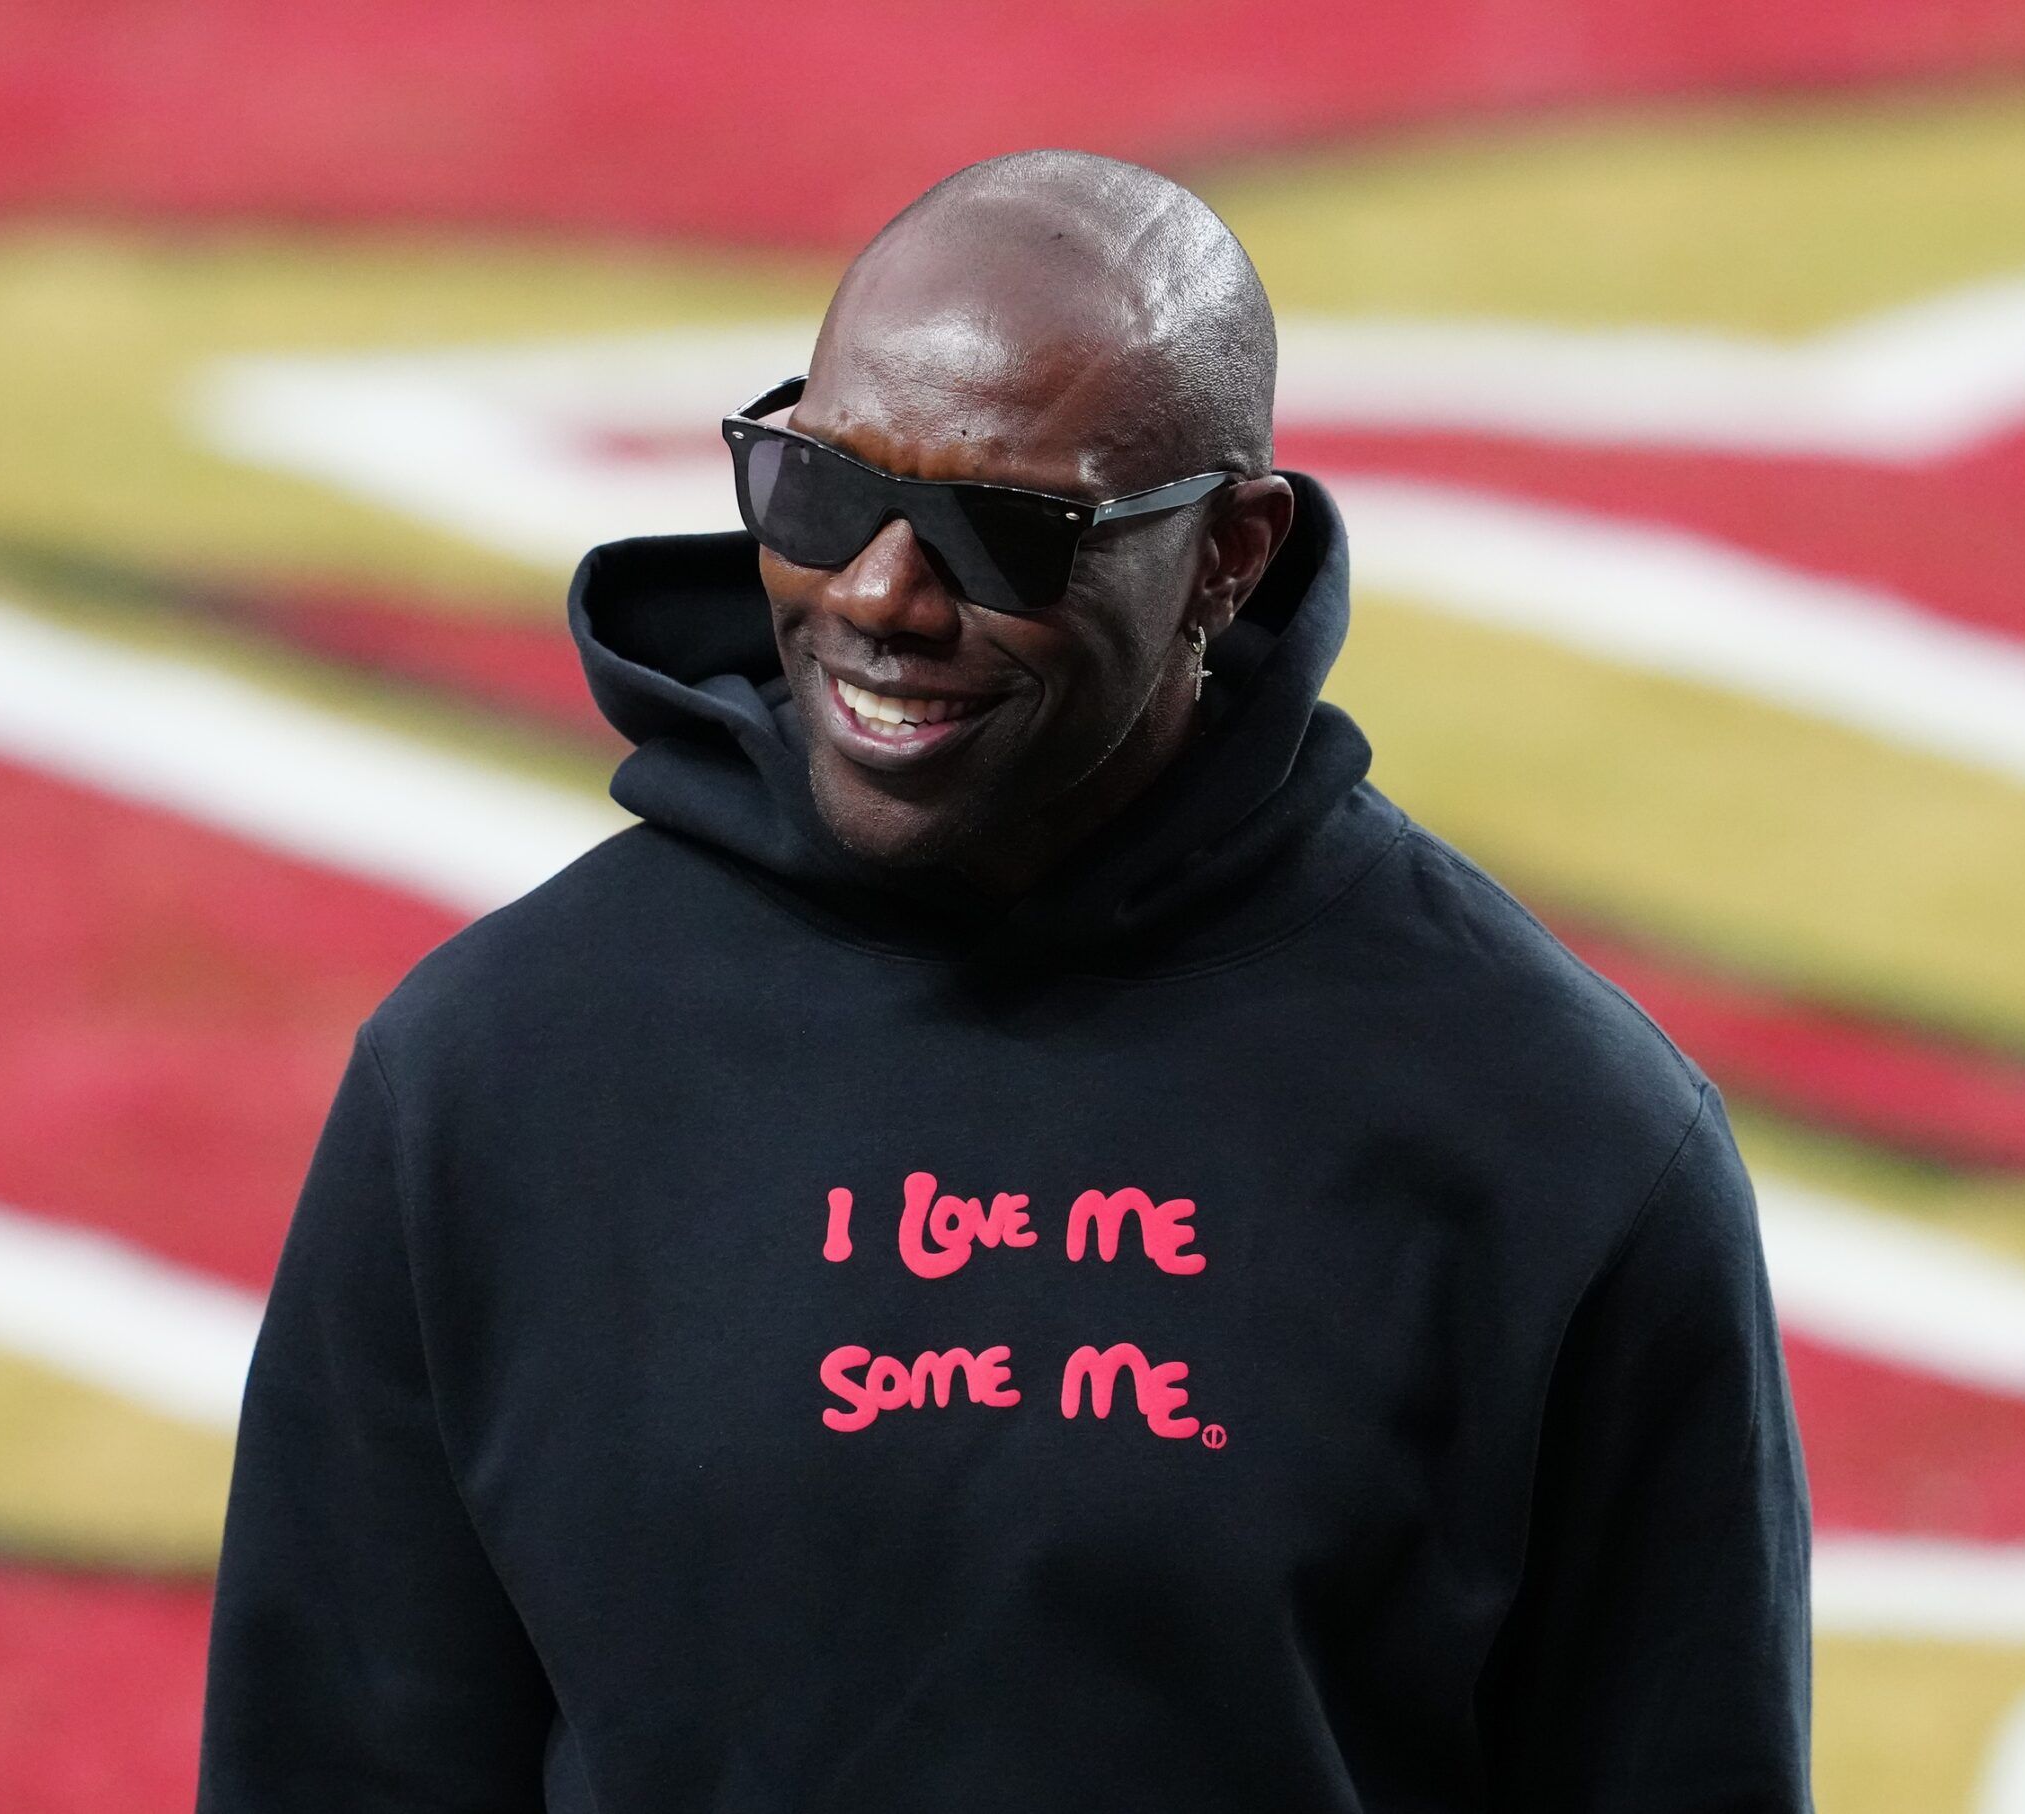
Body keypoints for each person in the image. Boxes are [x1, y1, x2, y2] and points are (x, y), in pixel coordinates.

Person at [196, 149, 1814, 1812]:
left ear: (1227, 558)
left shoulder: (1562, 1142)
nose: (882, 596)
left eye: (998, 532)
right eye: (820, 490)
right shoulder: (496, 1075)